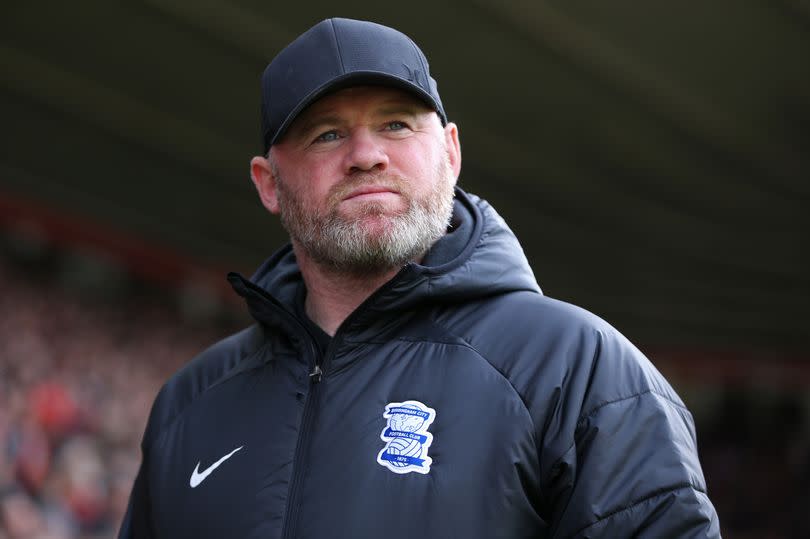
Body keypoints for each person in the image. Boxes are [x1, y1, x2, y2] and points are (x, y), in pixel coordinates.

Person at [119, 17, 720, 538]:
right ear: (269, 183)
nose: (366, 154)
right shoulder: (189, 404)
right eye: (327, 133)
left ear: (451, 153)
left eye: (397, 125)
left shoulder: (579, 370)